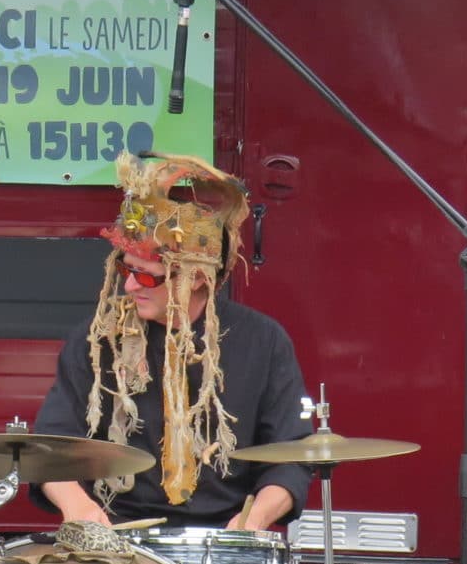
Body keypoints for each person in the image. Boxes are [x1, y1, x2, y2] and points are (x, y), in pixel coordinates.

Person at [33, 152, 311, 531]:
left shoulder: (264, 341)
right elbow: (52, 445)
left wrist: (253, 521)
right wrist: (79, 508)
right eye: (125, 270)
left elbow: (292, 454)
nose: (129, 286)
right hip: (119, 530)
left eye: (147, 277)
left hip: (222, 531)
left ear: (195, 279)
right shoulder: (97, 338)